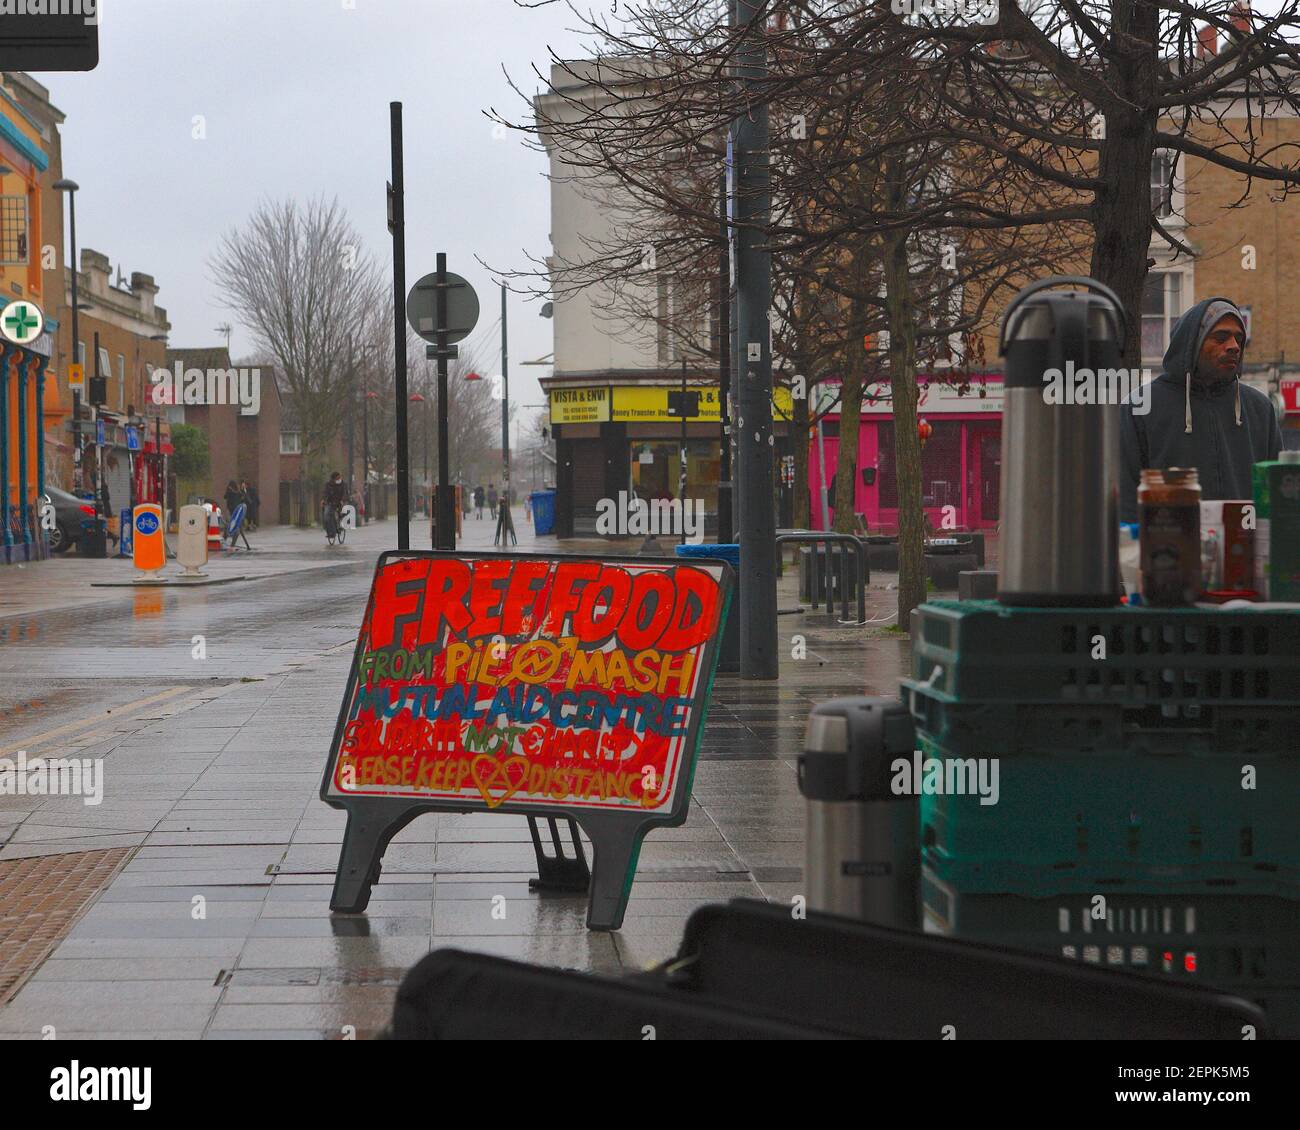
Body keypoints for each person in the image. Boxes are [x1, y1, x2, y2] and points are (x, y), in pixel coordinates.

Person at [1120, 298, 1282, 522]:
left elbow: (1278, 497)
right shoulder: (1141, 407)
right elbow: (1127, 499)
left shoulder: (1260, 409)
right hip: (1168, 551)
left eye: (1239, 338)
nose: (1234, 346)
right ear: (1191, 343)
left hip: (1244, 552)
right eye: (1221, 337)